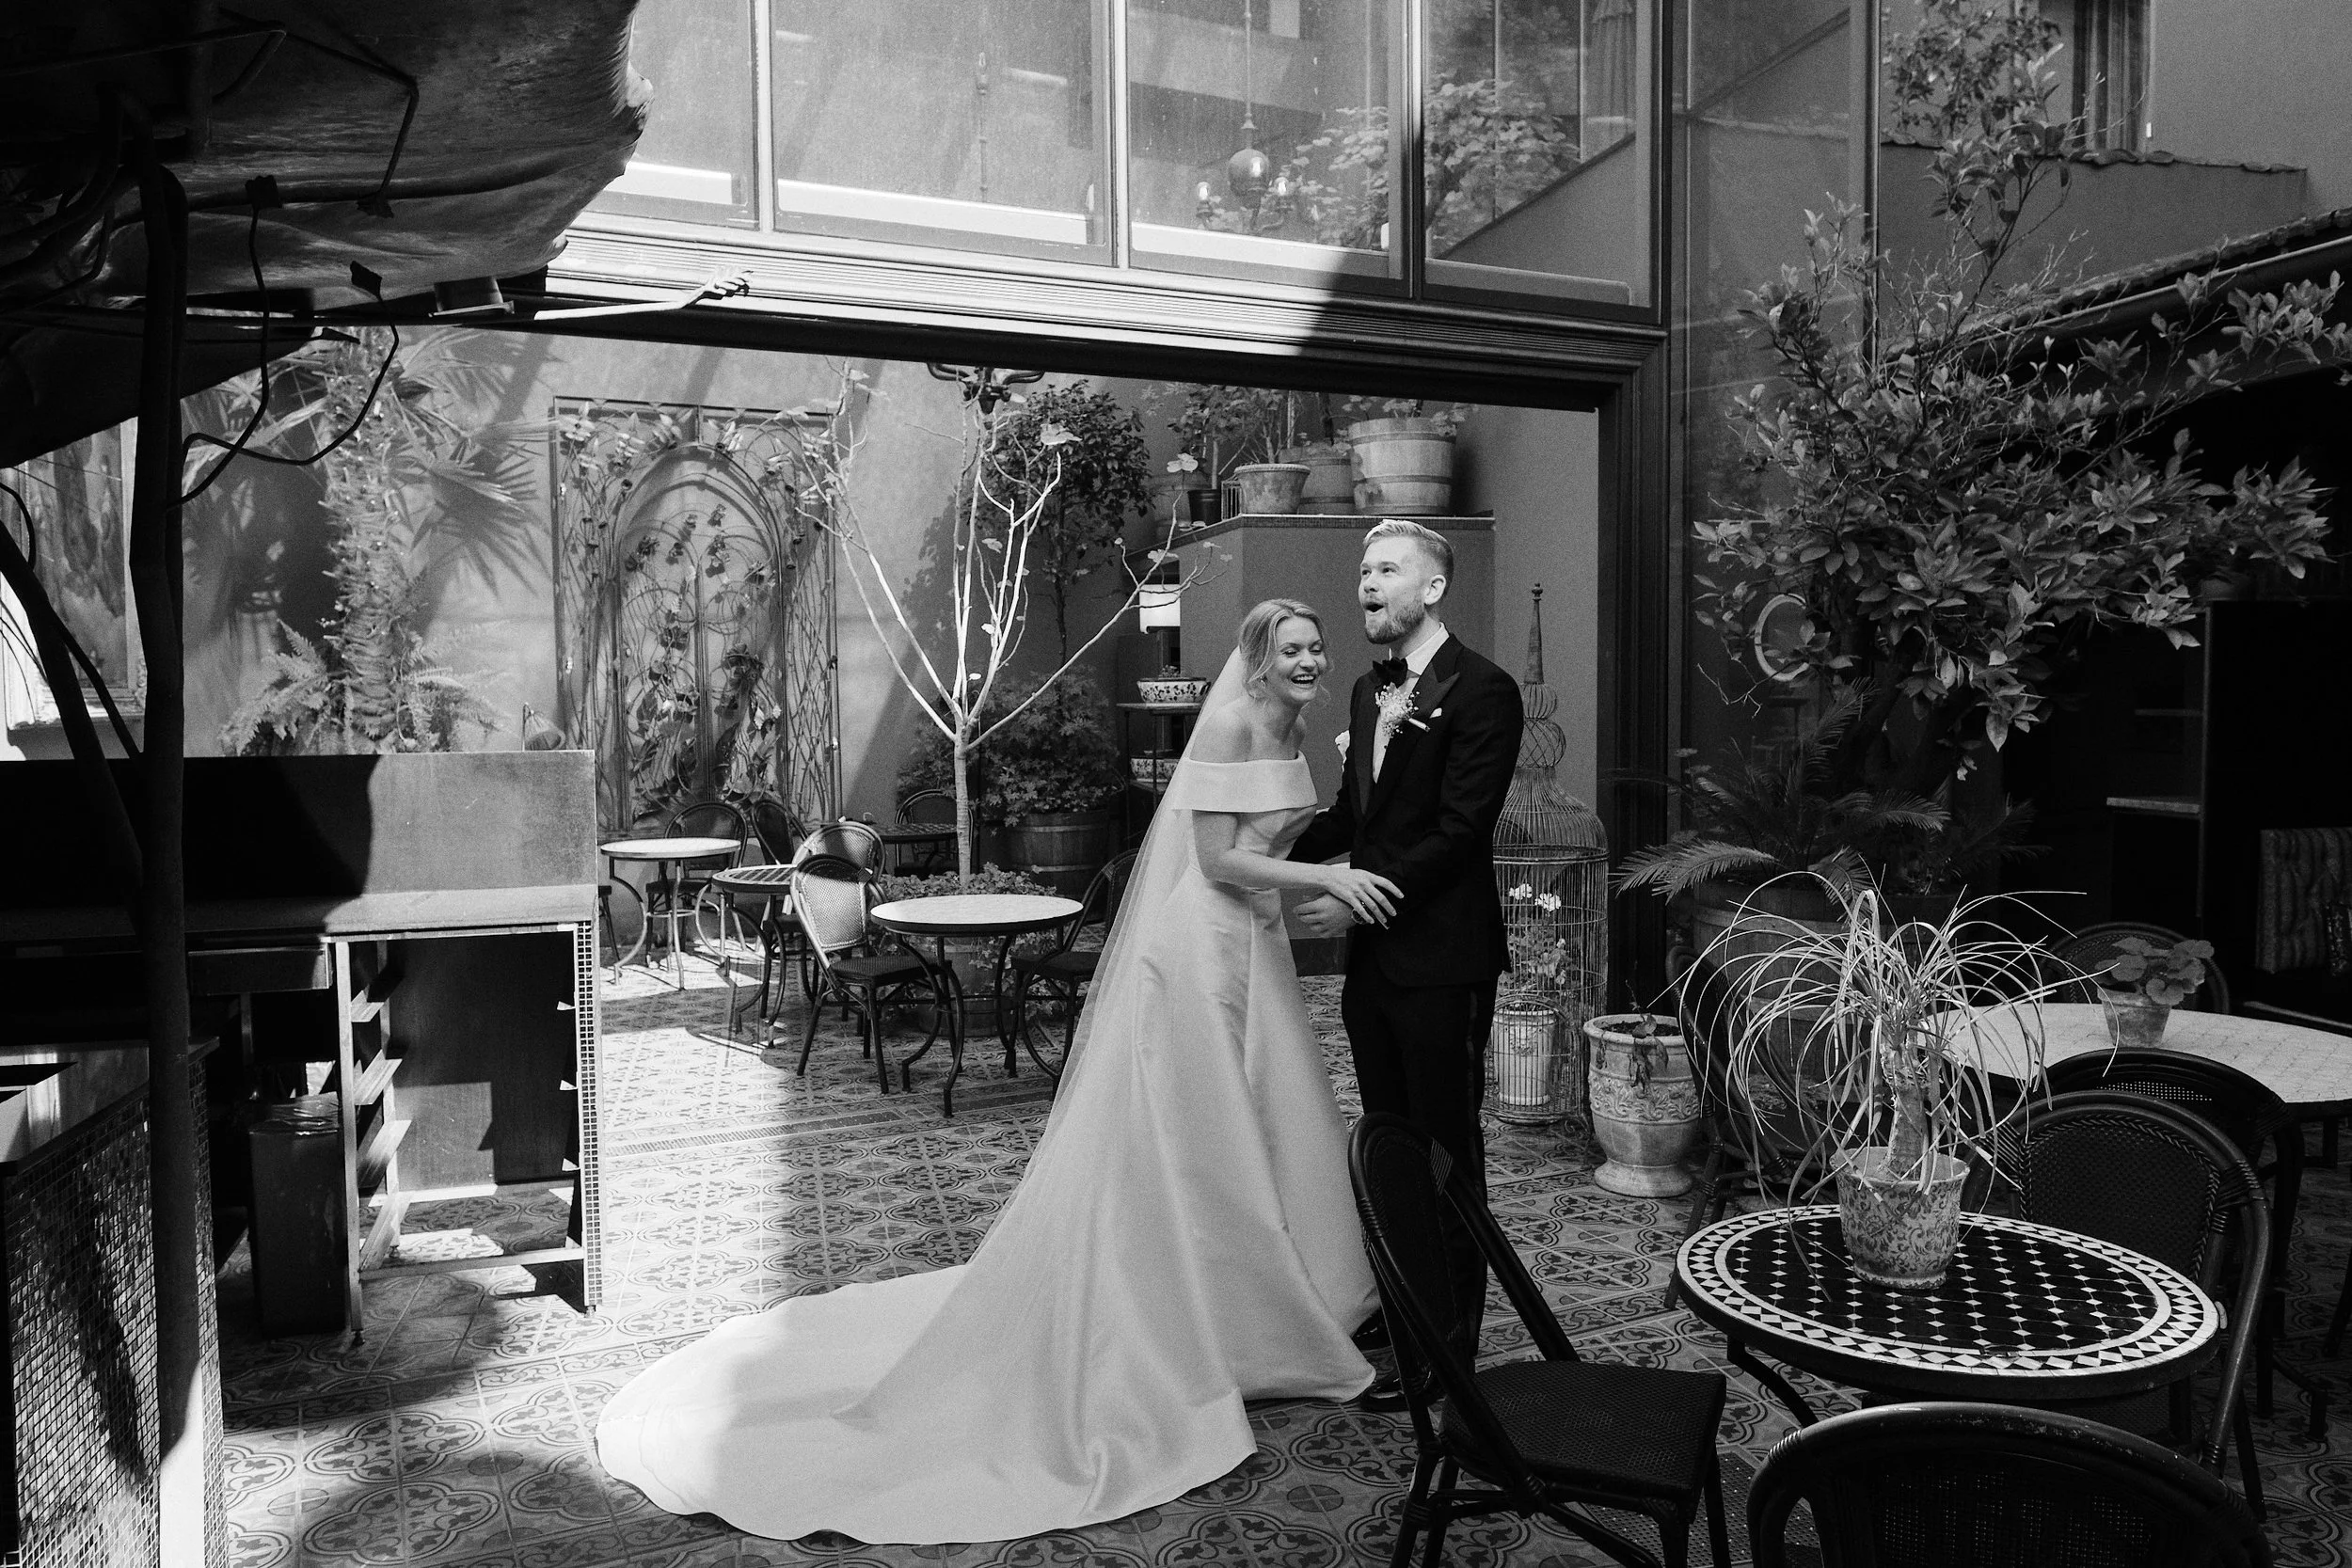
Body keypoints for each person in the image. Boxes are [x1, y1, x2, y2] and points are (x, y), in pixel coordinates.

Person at [596, 599, 1403, 1545]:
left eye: (1317, 645)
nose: (1310, 659)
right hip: (1201, 949)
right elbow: (1217, 859)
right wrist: (1325, 885)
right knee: (1203, 1131)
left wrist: (1358, 790)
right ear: (1257, 657)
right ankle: (1205, 1307)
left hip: (1252, 943)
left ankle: (1275, 1296)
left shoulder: (1293, 720)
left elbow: (1286, 839)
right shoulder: (1227, 718)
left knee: (1266, 1116)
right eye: (1292, 647)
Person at [1289, 520, 1522, 1379]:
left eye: (1387, 568)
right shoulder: (1361, 691)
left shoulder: (1483, 690)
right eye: (1362, 569)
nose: (1366, 582)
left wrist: (1360, 901)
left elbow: (1460, 833)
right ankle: (1404, 1311)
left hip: (1444, 965)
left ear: (1432, 588)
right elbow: (1359, 819)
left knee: (1446, 1155)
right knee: (1388, 1148)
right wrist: (1267, 853)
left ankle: (1449, 1351)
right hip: (1376, 974)